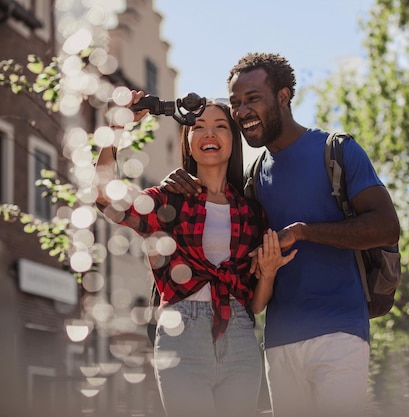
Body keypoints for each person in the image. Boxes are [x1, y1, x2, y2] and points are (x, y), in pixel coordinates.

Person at [162, 53, 401, 417]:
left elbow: (386, 226)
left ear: (284, 97)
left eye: (253, 99)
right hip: (277, 342)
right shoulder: (254, 177)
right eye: (236, 102)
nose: (242, 111)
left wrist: (304, 232)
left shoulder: (335, 151)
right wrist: (175, 181)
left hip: (340, 332)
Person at [95, 90, 296, 417]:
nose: (210, 133)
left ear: (233, 140)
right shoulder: (167, 200)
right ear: (188, 140)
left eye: (220, 126)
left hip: (241, 338)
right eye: (199, 127)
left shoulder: (252, 213)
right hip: (181, 335)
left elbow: (256, 304)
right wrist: (117, 127)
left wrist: (270, 270)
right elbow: (105, 198)